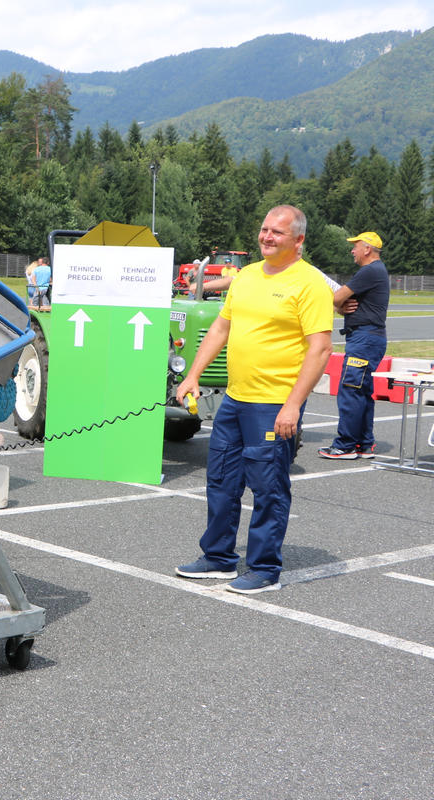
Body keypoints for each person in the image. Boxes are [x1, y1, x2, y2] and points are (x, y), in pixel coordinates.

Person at [173, 205, 333, 594]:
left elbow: (321, 349)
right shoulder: (244, 276)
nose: (266, 237)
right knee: (222, 480)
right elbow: (221, 327)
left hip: (274, 403)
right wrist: (192, 374)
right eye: (264, 229)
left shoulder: (309, 283)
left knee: (268, 487)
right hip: (235, 398)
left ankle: (263, 569)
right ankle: (218, 558)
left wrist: (293, 405)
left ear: (298, 240)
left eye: (277, 232)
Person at [318, 232, 391, 460]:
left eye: (355, 246)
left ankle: (346, 445)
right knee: (361, 391)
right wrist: (341, 306)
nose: (352, 250)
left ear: (367, 249)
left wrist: (338, 305)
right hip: (369, 338)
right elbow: (341, 302)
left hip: (364, 340)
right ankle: (363, 443)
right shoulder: (376, 271)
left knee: (350, 391)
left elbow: (337, 297)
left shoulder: (369, 270)